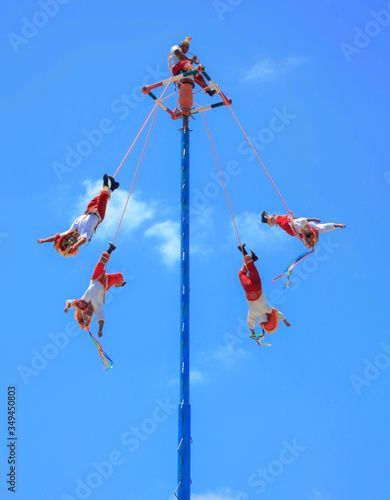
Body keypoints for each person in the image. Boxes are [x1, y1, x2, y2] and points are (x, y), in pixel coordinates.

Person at [37, 174, 119, 257]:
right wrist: (75, 246)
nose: (74, 236)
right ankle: (105, 185)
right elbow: (83, 240)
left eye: (72, 237)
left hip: (89, 210)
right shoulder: (85, 233)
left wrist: (43, 240)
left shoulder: (69, 231)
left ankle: (112, 188)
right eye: (75, 239)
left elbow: (55, 237)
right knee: (104, 195)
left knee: (97, 198)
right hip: (99, 215)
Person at [64, 243, 126, 337]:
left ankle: (110, 250)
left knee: (100, 265)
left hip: (96, 279)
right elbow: (101, 318)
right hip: (105, 283)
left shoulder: (81, 303)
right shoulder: (97, 308)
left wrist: (67, 307)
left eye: (87, 313)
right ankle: (118, 284)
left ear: (84, 312)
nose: (90, 312)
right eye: (90, 314)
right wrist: (100, 330)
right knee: (120, 276)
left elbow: (69, 302)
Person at [238, 244, 290, 339]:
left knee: (251, 267)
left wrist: (285, 321)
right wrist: (253, 332)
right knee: (241, 274)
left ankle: (250, 258)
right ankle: (245, 253)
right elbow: (250, 323)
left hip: (258, 286)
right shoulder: (253, 312)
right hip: (249, 289)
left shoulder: (268, 310)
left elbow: (278, 314)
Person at [261, 211, 346, 248]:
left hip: (294, 226)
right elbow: (326, 227)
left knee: (302, 223)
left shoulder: (309, 228)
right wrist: (338, 225)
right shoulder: (313, 228)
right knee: (304, 223)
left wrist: (339, 225)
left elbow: (302, 220)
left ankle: (268, 218)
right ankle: (268, 218)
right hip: (293, 226)